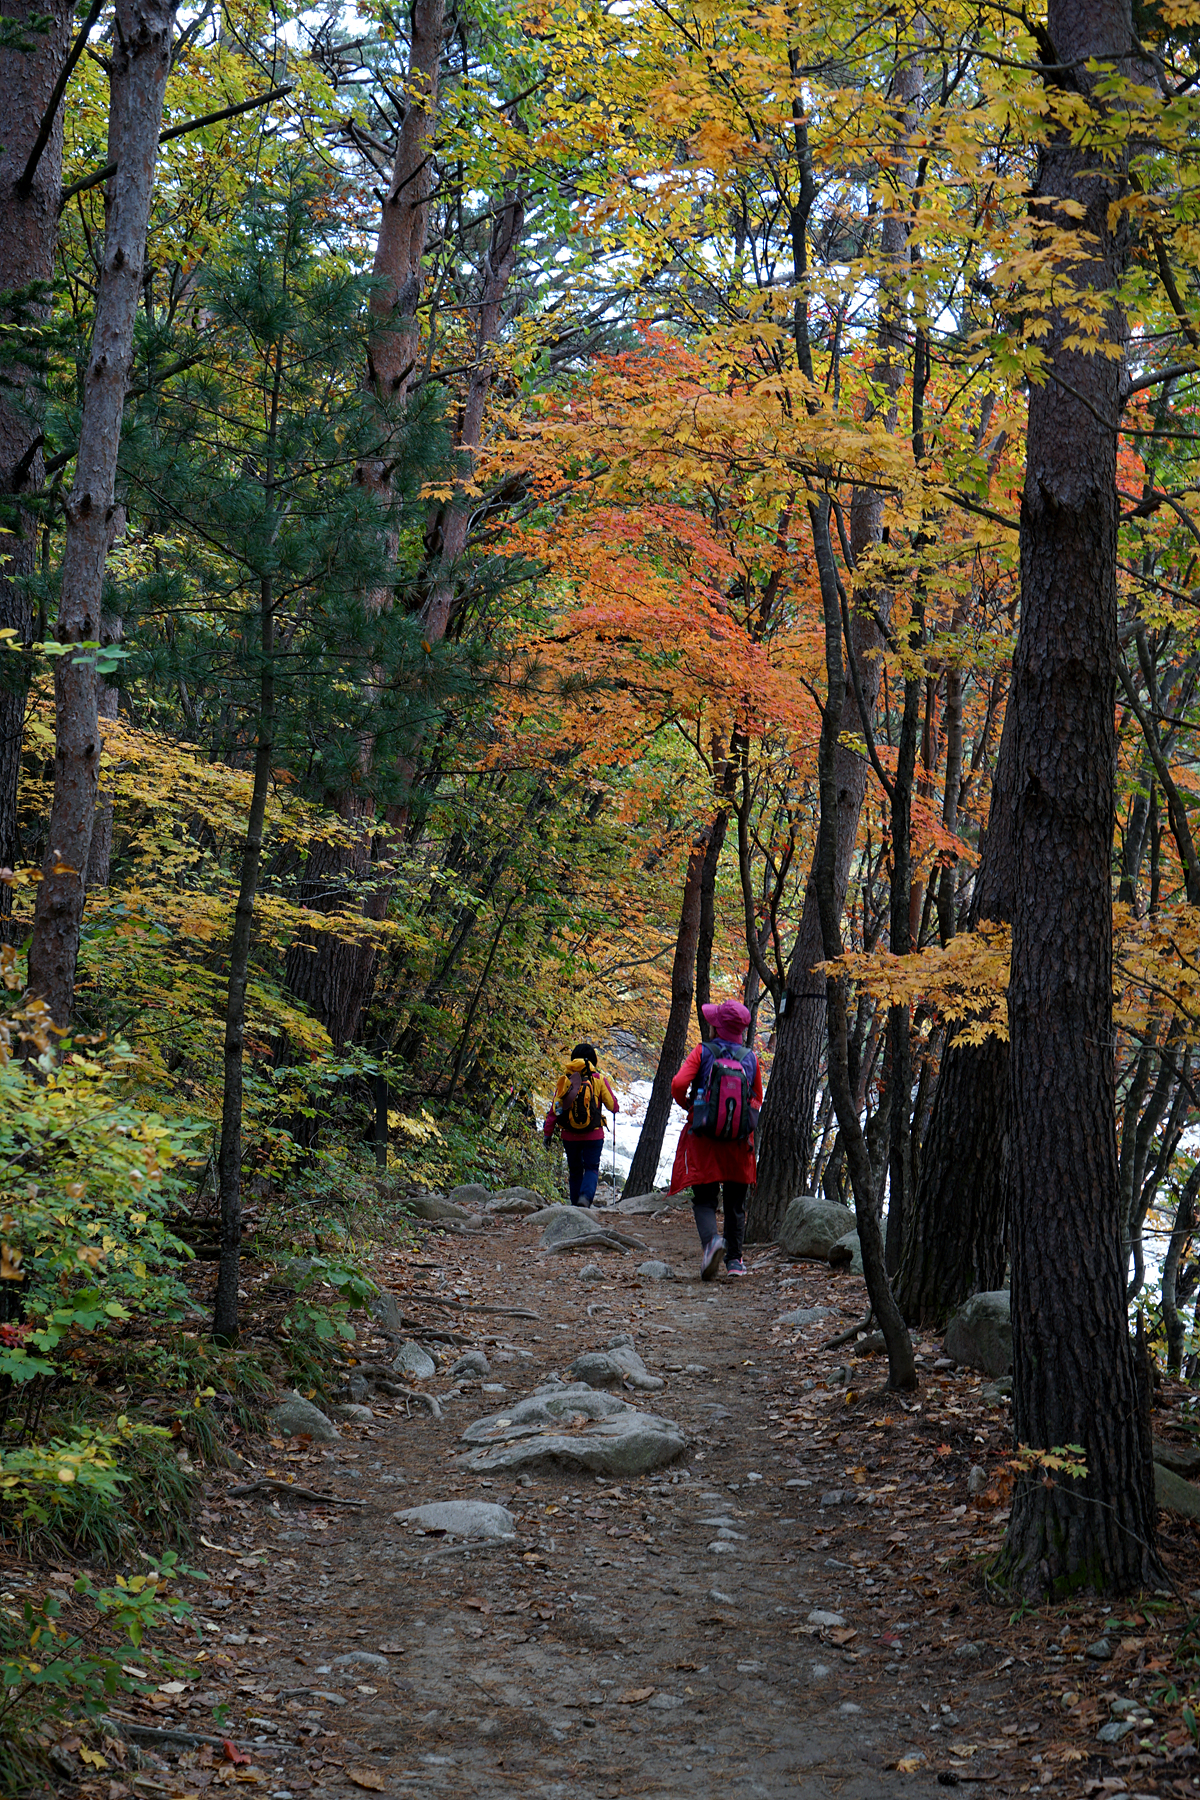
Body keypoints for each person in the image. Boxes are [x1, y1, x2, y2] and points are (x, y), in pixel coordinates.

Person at [668, 998, 761, 1278]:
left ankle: (712, 1244)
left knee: (705, 1200)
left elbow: (678, 1084)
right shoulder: (750, 1058)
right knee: (735, 1204)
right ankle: (735, 1262)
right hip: (738, 1142)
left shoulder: (702, 1051)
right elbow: (756, 1098)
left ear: (717, 1026)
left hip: (705, 1138)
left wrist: (691, 1107)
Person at [543, 1043, 619, 1208]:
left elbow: (554, 1111)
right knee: (591, 1168)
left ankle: (575, 1205)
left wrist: (547, 1134)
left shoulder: (565, 1081)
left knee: (575, 1171)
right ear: (593, 1061)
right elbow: (613, 1106)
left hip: (569, 1135)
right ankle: (585, 1198)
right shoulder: (599, 1079)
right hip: (594, 1134)